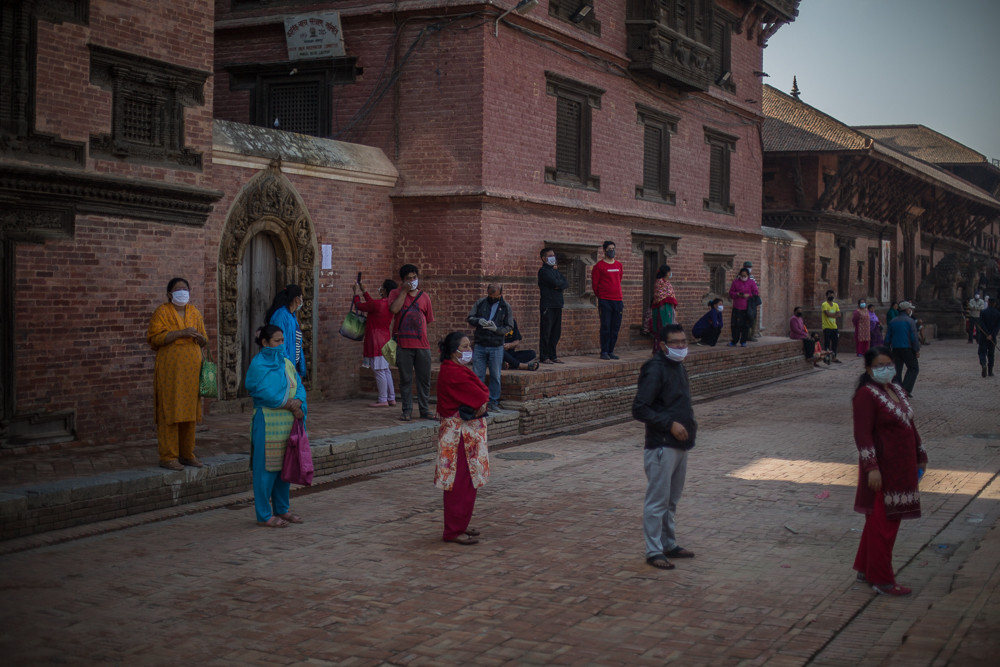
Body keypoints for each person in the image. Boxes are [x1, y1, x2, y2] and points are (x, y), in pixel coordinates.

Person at [852, 345, 927, 596]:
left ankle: (866, 567)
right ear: (868, 369)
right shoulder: (866, 395)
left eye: (889, 365)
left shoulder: (897, 389)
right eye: (879, 366)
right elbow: (862, 435)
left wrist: (920, 453)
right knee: (883, 523)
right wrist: (871, 467)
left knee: (882, 522)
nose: (886, 370)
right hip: (882, 469)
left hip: (902, 468)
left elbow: (910, 423)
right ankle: (882, 579)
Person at [632, 324, 698, 570]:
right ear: (662, 345)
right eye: (675, 342)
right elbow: (640, 408)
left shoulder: (678, 367)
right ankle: (654, 550)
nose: (681, 346)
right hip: (661, 444)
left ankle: (669, 543)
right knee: (657, 500)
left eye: (683, 341)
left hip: (680, 443)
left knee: (671, 500)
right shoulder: (655, 369)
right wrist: (668, 424)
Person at [244, 325, 307, 528]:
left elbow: (299, 386)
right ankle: (264, 514)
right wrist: (289, 404)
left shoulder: (286, 363)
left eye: (283, 341)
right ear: (265, 343)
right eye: (276, 341)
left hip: (288, 422)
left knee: (284, 467)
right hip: (267, 421)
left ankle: (282, 508)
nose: (281, 344)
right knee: (266, 469)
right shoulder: (258, 365)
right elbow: (260, 390)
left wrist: (299, 402)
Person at [435, 332, 491, 545]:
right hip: (458, 436)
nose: (469, 350)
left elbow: (482, 393)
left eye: (469, 345)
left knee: (468, 482)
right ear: (453, 351)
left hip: (464, 434)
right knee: (459, 483)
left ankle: (461, 523)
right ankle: (453, 529)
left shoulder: (457, 370)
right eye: (465, 346)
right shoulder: (452, 373)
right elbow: (481, 395)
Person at [147, 278, 208, 471]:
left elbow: (204, 339)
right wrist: (180, 333)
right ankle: (168, 455)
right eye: (178, 289)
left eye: (185, 289)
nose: (182, 292)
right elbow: (154, 338)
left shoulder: (194, 312)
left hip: (191, 371)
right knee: (170, 410)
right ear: (169, 294)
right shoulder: (162, 312)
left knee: (189, 412)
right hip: (170, 371)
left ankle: (187, 453)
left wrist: (199, 338)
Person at [389, 264, 435, 421]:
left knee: (424, 379)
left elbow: (428, 319)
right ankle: (407, 410)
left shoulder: (425, 297)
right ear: (402, 280)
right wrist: (403, 292)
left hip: (422, 345)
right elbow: (394, 310)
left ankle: (424, 409)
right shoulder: (395, 293)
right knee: (406, 379)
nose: (412, 281)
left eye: (414, 277)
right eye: (408, 278)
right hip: (403, 344)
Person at [467, 284, 515, 411]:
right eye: (490, 295)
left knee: (495, 375)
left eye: (495, 296)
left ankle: (493, 401)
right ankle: (478, 401)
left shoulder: (505, 306)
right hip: (480, 343)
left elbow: (509, 326)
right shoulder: (481, 302)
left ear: (500, 294)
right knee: (478, 375)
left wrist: (497, 329)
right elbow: (470, 317)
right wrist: (479, 321)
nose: (492, 298)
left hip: (496, 345)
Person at [353, 278, 398, 407]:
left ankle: (383, 399)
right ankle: (391, 397)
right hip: (385, 339)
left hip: (375, 340)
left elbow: (360, 305)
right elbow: (371, 304)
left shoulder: (378, 304)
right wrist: (364, 291)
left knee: (379, 370)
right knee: (385, 370)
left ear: (385, 290)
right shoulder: (390, 304)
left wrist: (356, 294)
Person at [265, 285, 307, 380]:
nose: (302, 301)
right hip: (283, 371)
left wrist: (299, 369)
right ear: (296, 299)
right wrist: (287, 370)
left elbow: (296, 343)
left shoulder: (292, 316)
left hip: (292, 368)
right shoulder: (281, 315)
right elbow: (278, 345)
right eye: (301, 297)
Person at [592, 240, 624, 360]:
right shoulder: (599, 266)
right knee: (605, 326)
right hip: (605, 300)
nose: (612, 251)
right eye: (610, 249)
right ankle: (604, 351)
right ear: (604, 250)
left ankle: (611, 350)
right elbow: (595, 285)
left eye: (613, 248)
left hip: (618, 300)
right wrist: (601, 296)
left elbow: (619, 279)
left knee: (615, 327)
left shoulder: (619, 265)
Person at [538, 248, 569, 364]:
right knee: (546, 331)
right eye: (550, 256)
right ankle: (544, 356)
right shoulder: (543, 271)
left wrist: (559, 285)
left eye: (553, 255)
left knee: (556, 332)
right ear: (544, 258)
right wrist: (558, 285)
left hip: (557, 304)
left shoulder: (555, 270)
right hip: (548, 305)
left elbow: (565, 283)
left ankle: (553, 355)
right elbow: (555, 283)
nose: (553, 257)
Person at [885, 300, 920, 395]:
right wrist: (916, 349)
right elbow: (914, 337)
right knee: (913, 368)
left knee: (897, 369)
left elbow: (888, 337)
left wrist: (887, 349)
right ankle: (906, 388)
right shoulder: (910, 321)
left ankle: (897, 389)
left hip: (895, 348)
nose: (910, 310)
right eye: (909, 309)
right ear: (906, 310)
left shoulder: (893, 321)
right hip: (907, 348)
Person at [727, 266, 758, 347]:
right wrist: (736, 294)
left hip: (747, 308)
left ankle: (743, 341)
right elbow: (731, 293)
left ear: (748, 275)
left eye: (745, 276)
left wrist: (748, 295)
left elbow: (756, 293)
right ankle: (734, 340)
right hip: (737, 307)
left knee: (745, 326)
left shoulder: (751, 282)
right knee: (735, 325)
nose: (743, 277)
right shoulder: (735, 282)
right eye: (742, 275)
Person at [650, 264, 679, 341]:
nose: (670, 273)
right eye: (669, 272)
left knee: (669, 325)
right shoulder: (659, 282)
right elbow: (659, 295)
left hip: (668, 307)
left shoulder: (667, 283)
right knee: (662, 325)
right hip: (662, 307)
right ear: (666, 273)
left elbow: (670, 294)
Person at [976, 295, 998, 377]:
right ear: (994, 304)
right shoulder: (998, 314)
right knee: (991, 354)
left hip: (984, 336)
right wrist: (992, 335)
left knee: (982, 352)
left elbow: (981, 324)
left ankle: (983, 364)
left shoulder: (983, 312)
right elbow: (997, 327)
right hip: (992, 337)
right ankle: (990, 371)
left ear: (988, 302)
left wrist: (987, 334)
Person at [742, 261, 763, 341]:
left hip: (752, 300)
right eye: (747, 267)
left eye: (750, 267)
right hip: (745, 301)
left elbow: (756, 288)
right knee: (748, 318)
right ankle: (747, 335)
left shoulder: (752, 277)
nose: (749, 268)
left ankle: (751, 334)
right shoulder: (741, 277)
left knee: (753, 317)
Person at [820, 290, 842, 363]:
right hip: (826, 327)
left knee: (835, 343)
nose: (831, 296)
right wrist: (835, 315)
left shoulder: (836, 305)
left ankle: (834, 357)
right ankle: (826, 357)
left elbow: (839, 315)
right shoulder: (824, 304)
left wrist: (832, 314)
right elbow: (827, 314)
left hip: (834, 327)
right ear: (826, 296)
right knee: (827, 343)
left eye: (832, 295)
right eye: (829, 295)